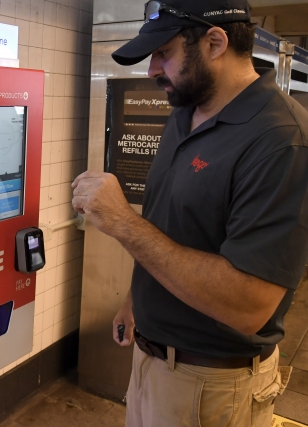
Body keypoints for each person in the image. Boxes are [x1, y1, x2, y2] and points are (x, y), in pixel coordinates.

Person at [71, 1, 308, 426]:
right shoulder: (184, 113)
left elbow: (249, 306)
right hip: (149, 359)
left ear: (215, 43)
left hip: (211, 384)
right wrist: (136, 301)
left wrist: (123, 223)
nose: (151, 70)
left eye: (164, 53)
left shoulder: (281, 140)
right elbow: (170, 226)